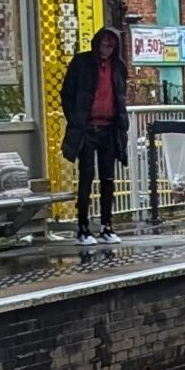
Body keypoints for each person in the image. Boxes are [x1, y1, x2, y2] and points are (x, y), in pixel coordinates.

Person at [61, 24, 129, 245]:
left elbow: (120, 96)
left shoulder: (118, 67)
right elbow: (67, 93)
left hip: (109, 129)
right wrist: (76, 118)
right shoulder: (81, 63)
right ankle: (83, 227)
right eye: (103, 44)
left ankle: (107, 225)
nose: (106, 49)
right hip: (87, 129)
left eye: (110, 45)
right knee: (86, 177)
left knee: (108, 178)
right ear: (97, 43)